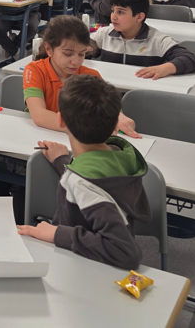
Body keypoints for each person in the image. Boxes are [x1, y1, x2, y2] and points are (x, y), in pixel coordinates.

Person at [17, 74, 151, 270]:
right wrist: (63, 162)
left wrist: (56, 234)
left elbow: (126, 252)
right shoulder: (121, 153)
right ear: (115, 123)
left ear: (60, 120)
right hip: (90, 259)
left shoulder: (80, 181)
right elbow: (94, 180)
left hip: (79, 265)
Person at [22, 15, 139, 137]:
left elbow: (110, 110)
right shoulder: (35, 70)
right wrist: (88, 128)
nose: (75, 62)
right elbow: (39, 115)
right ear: (49, 49)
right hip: (40, 136)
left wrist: (118, 116)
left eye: (81, 54)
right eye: (68, 54)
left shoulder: (91, 76)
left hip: (77, 140)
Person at [90, 0, 195, 79]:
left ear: (139, 17)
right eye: (112, 10)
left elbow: (190, 59)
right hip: (110, 90)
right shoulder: (104, 34)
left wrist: (164, 68)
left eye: (120, 12)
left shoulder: (157, 40)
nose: (113, 17)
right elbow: (85, 47)